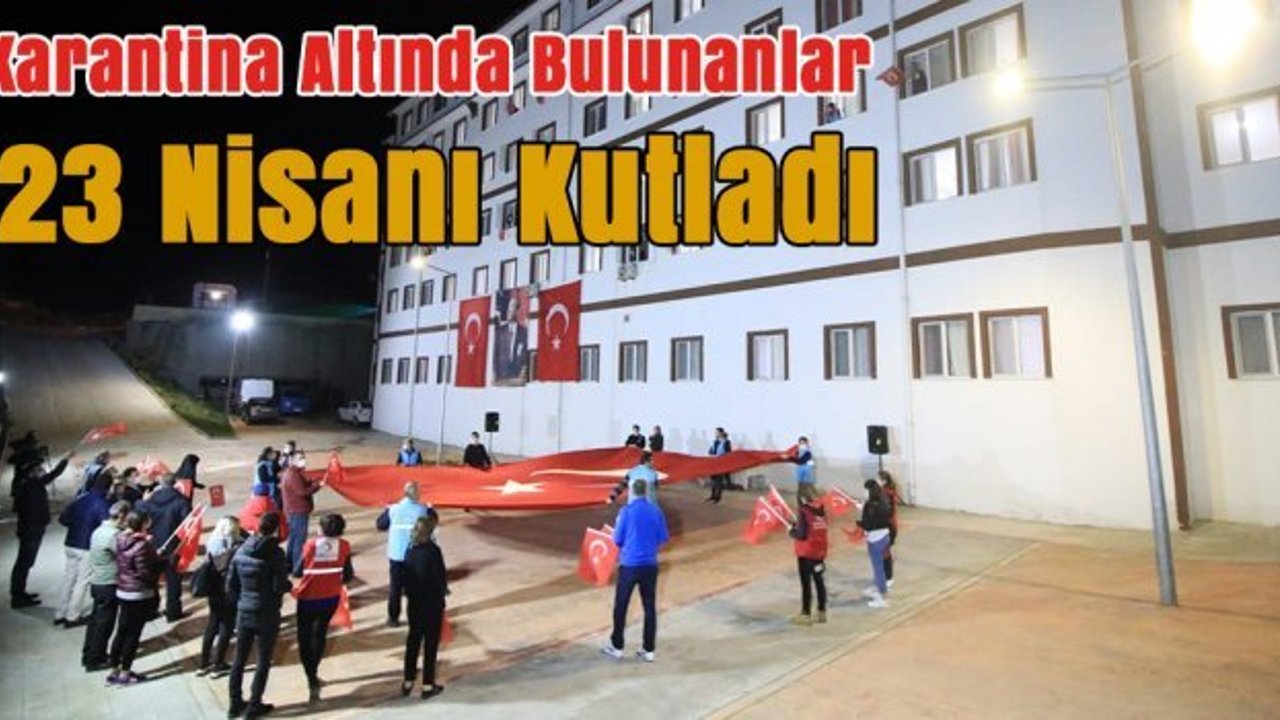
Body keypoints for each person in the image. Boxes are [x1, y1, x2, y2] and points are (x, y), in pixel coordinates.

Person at [226, 511, 292, 719]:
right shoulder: (276, 554)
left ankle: (234, 703)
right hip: (267, 612)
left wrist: (242, 600)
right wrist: (288, 586)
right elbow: (280, 585)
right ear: (276, 530)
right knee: (263, 659)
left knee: (239, 659)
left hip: (244, 609)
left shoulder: (241, 550)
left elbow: (231, 584)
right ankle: (255, 704)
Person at [603, 479, 669, 662]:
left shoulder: (626, 511)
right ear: (646, 492)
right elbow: (663, 537)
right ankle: (648, 649)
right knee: (649, 607)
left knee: (621, 605)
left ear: (631, 492)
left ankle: (617, 646)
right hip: (650, 565)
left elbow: (617, 539)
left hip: (629, 565)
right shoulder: (656, 511)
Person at [293, 513, 353, 705]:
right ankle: (314, 673)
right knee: (319, 634)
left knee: (304, 637)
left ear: (321, 528)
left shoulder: (311, 545)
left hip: (308, 597)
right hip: (330, 597)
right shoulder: (344, 546)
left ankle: (310, 675)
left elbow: (297, 571)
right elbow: (348, 575)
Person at [10, 450, 74, 608]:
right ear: (32, 473)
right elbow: (53, 475)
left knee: (25, 563)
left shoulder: (29, 485)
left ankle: (20, 593)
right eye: (39, 470)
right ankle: (18, 597)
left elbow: (51, 475)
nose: (43, 472)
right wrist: (65, 459)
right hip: (31, 531)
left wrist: (65, 459)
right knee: (24, 563)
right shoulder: (31, 487)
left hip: (30, 530)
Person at [108, 510, 161, 686]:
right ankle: (125, 673)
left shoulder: (121, 538)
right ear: (144, 524)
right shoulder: (142, 545)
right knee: (133, 634)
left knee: (121, 631)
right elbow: (146, 573)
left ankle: (113, 670)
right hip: (138, 593)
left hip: (123, 590)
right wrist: (160, 561)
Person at [56, 471, 112, 627]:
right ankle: (72, 616)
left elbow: (63, 519)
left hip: (70, 543)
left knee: (68, 579)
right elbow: (105, 525)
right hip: (85, 546)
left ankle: (60, 613)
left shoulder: (79, 498)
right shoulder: (101, 503)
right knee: (82, 581)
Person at [402, 512, 448, 700]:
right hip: (431, 603)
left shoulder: (409, 550)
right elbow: (439, 577)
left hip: (414, 603)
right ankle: (428, 684)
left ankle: (408, 681)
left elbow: (405, 577)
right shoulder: (433, 551)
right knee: (430, 644)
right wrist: (442, 596)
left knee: (413, 640)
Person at [82, 500, 130, 671]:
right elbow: (125, 554)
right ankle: (96, 659)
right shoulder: (113, 535)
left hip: (97, 581)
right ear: (121, 516)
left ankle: (88, 653)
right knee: (105, 623)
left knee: (95, 621)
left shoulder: (99, 530)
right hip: (109, 583)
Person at [137, 474, 191, 621]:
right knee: (173, 579)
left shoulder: (150, 500)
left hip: (152, 543)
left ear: (160, 483)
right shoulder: (181, 500)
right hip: (172, 544)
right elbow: (187, 522)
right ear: (175, 484)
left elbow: (139, 512)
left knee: (151, 578)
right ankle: (173, 611)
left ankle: (150, 611)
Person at [196, 516, 244, 678]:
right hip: (229, 590)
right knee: (226, 627)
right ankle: (218, 663)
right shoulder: (237, 546)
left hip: (213, 589)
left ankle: (203, 663)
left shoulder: (212, 543)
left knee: (212, 625)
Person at [377, 483, 430, 627]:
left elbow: (380, 525)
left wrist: (387, 510)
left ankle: (393, 618)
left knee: (395, 587)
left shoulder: (393, 509)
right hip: (416, 555)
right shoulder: (423, 509)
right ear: (417, 495)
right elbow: (433, 522)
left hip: (397, 554)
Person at [788, 485, 829, 626]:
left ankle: (805, 614)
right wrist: (797, 524)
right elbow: (812, 527)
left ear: (802, 497)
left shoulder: (804, 511)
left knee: (806, 584)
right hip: (820, 551)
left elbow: (802, 534)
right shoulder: (821, 510)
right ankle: (821, 612)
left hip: (806, 552)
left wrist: (791, 531)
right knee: (819, 581)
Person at [281, 451, 323, 576]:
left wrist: (312, 481)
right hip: (298, 511)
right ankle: (298, 569)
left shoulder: (293, 472)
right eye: (300, 458)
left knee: (293, 538)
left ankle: (289, 564)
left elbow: (302, 485)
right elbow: (302, 492)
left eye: (304, 458)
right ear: (293, 460)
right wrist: (318, 485)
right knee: (299, 540)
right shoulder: (293, 475)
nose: (303, 460)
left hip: (293, 510)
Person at [857, 479, 893, 609]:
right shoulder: (884, 500)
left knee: (878, 568)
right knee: (880, 567)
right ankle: (877, 588)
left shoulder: (870, 505)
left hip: (875, 539)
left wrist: (859, 522)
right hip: (885, 536)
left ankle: (882, 597)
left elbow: (867, 524)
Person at [879, 470, 901, 588]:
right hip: (890, 525)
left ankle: (888, 577)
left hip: (889, 526)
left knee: (886, 553)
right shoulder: (888, 490)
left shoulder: (886, 492)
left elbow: (887, 509)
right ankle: (887, 575)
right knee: (886, 552)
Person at [706, 427, 732, 504]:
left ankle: (718, 498)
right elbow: (710, 451)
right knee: (713, 480)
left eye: (716, 432)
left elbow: (728, 453)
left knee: (719, 481)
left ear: (721, 433)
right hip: (713, 462)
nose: (715, 434)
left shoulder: (727, 442)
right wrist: (711, 453)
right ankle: (712, 496)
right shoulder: (715, 442)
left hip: (721, 463)